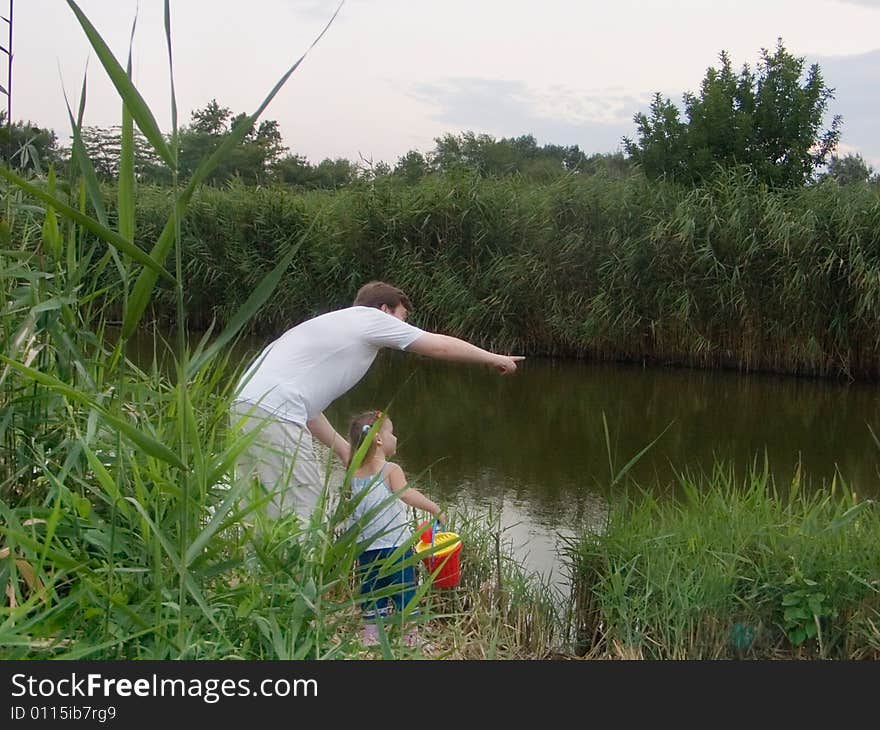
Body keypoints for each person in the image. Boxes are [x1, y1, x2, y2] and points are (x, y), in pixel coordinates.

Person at [231, 280, 523, 522]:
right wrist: (493, 357)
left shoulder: (336, 324)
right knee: (303, 508)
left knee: (261, 510)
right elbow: (441, 347)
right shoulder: (371, 319)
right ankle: (297, 587)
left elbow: (306, 407)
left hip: (246, 407)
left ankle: (257, 585)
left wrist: (345, 450)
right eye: (401, 319)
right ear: (384, 310)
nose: (402, 327)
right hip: (275, 412)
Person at [346, 409, 443, 646]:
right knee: (404, 591)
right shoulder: (391, 469)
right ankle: (410, 637)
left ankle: (371, 637)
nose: (395, 437)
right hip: (395, 546)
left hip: (367, 547)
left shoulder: (353, 473)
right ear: (379, 439)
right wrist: (434, 508)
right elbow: (407, 494)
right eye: (392, 432)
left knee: (372, 592)